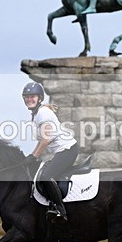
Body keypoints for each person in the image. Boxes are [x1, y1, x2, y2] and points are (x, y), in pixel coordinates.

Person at [22, 82, 79, 222]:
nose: (29, 99)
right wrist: (32, 156)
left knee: (46, 176)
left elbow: (46, 140)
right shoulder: (36, 114)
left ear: (40, 98)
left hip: (68, 150)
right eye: (26, 97)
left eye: (32, 96)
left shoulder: (43, 113)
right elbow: (42, 140)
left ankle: (60, 210)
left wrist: (34, 156)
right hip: (61, 151)